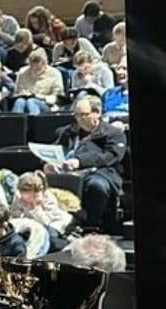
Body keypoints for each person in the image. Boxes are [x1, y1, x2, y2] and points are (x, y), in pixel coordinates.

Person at [49, 96, 126, 232]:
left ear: (97, 113)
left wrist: (80, 161)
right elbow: (55, 149)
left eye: (83, 115)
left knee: (97, 185)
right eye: (76, 115)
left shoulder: (113, 133)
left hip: (99, 172)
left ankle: (90, 225)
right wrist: (48, 163)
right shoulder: (67, 132)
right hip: (65, 172)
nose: (79, 119)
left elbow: (110, 156)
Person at [13, 49, 63, 115]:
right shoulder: (23, 72)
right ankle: (16, 121)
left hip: (46, 104)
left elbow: (57, 97)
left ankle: (35, 121)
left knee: (31, 101)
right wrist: (22, 93)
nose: (34, 70)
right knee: (19, 101)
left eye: (38, 69)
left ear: (45, 64)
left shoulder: (54, 74)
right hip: (25, 101)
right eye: (32, 67)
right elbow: (16, 92)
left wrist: (38, 96)